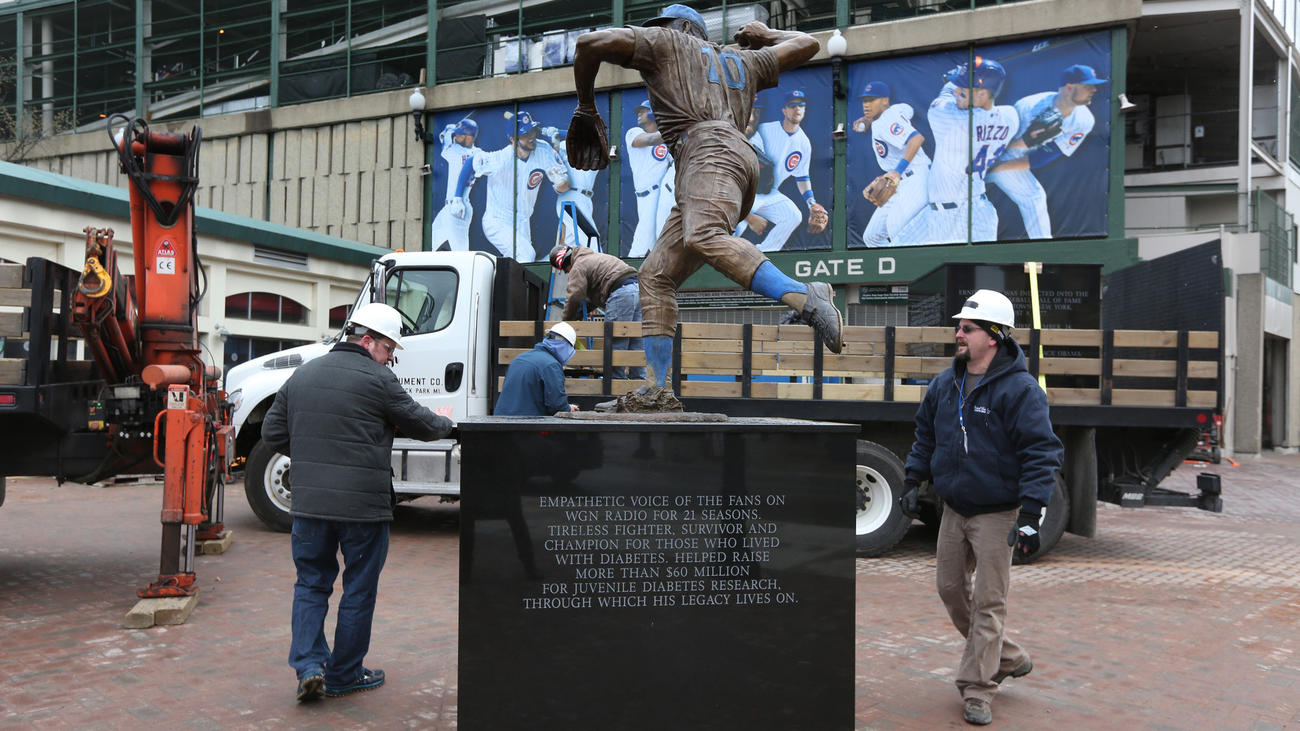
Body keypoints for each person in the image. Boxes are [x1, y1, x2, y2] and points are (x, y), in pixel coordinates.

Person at [567, 5, 844, 408]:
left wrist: (586, 106)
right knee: (655, 276)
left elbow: (589, 43)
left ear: (682, 28)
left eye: (663, 26)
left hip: (707, 151)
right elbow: (807, 43)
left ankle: (804, 295)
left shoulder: (669, 41)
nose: (656, 32)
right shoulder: (740, 60)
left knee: (704, 235)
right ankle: (656, 390)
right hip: (732, 160)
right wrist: (767, 33)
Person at [262, 302, 455, 702]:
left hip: (310, 506)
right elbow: (421, 422)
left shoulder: (303, 374)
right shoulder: (378, 379)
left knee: (311, 584)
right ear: (367, 341)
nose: (390, 359)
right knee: (358, 590)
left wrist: (312, 458)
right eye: (389, 350)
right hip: (363, 510)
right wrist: (453, 428)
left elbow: (272, 432)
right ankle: (344, 674)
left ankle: (310, 666)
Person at [900, 289, 1063, 726]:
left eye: (967, 328)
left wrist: (1031, 515)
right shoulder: (945, 382)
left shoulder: (1021, 389)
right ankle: (1008, 655)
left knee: (990, 603)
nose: (959, 333)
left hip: (998, 513)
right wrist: (913, 480)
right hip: (954, 508)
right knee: (950, 589)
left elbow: (1041, 451)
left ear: (993, 335)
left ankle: (977, 688)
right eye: (959, 327)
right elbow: (925, 436)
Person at [894, 59, 1018, 245]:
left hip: (969, 217)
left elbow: (946, 95)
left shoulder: (947, 117)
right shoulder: (1010, 117)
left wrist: (953, 79)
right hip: (939, 213)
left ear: (982, 94)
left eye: (962, 88)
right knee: (894, 258)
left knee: (972, 272)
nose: (957, 91)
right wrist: (966, 78)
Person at [987, 64, 1108, 239]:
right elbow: (997, 143)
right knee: (1030, 196)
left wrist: (1003, 166)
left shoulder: (1083, 119)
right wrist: (1020, 144)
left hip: (1016, 158)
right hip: (995, 151)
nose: (1094, 90)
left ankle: (1042, 247)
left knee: (1034, 196)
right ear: (1068, 88)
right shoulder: (1029, 106)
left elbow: (1044, 155)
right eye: (1087, 86)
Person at [453, 110, 570, 260]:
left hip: (523, 221)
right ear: (513, 139)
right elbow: (471, 161)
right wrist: (458, 198)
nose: (532, 137)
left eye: (532, 131)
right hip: (498, 221)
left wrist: (560, 183)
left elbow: (564, 186)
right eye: (526, 134)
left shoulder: (544, 150)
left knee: (521, 267)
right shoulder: (500, 159)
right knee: (526, 255)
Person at [740, 89, 821, 252]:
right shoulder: (764, 129)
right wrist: (749, 217)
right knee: (735, 228)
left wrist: (811, 203)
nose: (797, 109)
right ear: (784, 110)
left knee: (792, 216)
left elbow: (802, 177)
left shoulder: (804, 142)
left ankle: (764, 253)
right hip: (748, 191)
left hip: (770, 193)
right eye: (792, 106)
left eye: (801, 105)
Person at [852, 81, 931, 246]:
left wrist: (897, 171)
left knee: (898, 233)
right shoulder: (894, 110)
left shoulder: (886, 121)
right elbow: (908, 109)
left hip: (915, 177)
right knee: (872, 237)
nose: (866, 105)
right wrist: (869, 119)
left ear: (885, 101)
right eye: (864, 100)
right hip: (899, 183)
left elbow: (917, 139)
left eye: (872, 100)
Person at [550, 244, 645, 380]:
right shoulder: (595, 259)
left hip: (621, 292)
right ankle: (638, 385)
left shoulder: (578, 265)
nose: (566, 273)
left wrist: (566, 322)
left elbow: (574, 296)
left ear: (564, 261)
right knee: (636, 342)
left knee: (615, 341)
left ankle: (614, 387)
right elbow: (594, 297)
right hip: (638, 290)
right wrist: (580, 314)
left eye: (564, 269)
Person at [624, 98, 676, 258]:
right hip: (643, 196)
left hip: (660, 194)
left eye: (643, 110)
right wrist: (676, 128)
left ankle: (628, 278)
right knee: (653, 244)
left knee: (642, 245)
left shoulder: (667, 141)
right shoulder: (633, 132)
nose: (639, 114)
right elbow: (650, 140)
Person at [494, 321, 581, 415]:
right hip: (526, 425)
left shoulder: (519, 359)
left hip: (501, 422)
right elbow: (557, 406)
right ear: (565, 345)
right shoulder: (551, 365)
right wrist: (568, 408)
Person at [544, 127, 604, 250]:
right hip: (570, 197)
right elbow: (554, 161)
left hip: (585, 199)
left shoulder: (595, 148)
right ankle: (603, 269)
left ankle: (564, 269)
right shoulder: (562, 146)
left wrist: (559, 132)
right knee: (591, 240)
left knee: (570, 247)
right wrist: (554, 139)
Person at [430, 118, 481, 251]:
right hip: (448, 208)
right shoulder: (473, 151)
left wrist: (448, 131)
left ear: (469, 137)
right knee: (430, 244)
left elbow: (444, 143)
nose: (456, 136)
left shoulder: (461, 151)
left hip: (460, 207)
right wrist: (452, 130)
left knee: (461, 253)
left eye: (460, 134)